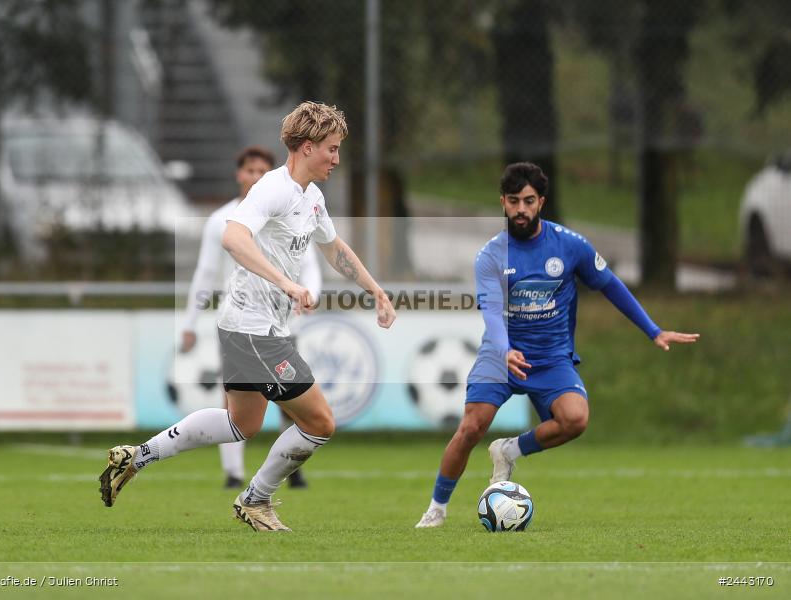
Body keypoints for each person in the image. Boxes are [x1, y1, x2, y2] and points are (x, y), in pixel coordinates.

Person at [100, 101, 396, 531]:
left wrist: (376, 291)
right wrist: (287, 283)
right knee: (319, 421)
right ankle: (255, 500)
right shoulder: (273, 189)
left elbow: (334, 249)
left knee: (242, 424)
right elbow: (233, 237)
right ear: (307, 147)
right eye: (331, 149)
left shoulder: (311, 196)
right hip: (254, 330)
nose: (336, 158)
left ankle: (138, 455)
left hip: (248, 328)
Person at [415, 162, 699, 528]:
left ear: (541, 202)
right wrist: (504, 350)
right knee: (471, 427)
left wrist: (652, 330)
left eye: (528, 201)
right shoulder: (490, 256)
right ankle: (436, 508)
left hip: (550, 358)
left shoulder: (570, 245)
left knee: (575, 419)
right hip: (501, 355)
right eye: (514, 200)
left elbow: (610, 284)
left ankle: (509, 450)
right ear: (502, 202)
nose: (521, 209)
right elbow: (491, 311)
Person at [179, 145, 321, 489]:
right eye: (249, 171)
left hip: (284, 320)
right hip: (241, 322)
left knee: (291, 397)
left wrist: (310, 295)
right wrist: (189, 322)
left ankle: (291, 465)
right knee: (235, 402)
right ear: (238, 174)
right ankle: (234, 471)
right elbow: (205, 273)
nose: (255, 177)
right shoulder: (221, 221)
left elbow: (311, 263)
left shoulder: (294, 208)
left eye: (262, 171)